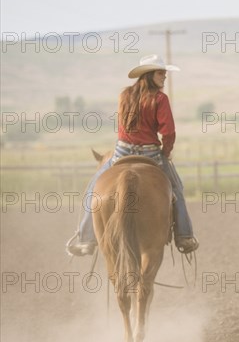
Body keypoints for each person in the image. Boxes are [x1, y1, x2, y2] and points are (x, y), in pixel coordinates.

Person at [66, 54, 199, 256]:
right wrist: (166, 152)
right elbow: (169, 132)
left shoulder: (125, 95)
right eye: (161, 73)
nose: (164, 77)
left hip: (121, 152)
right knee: (177, 189)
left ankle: (86, 239)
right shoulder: (160, 99)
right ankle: (184, 236)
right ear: (149, 75)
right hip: (151, 153)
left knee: (94, 188)